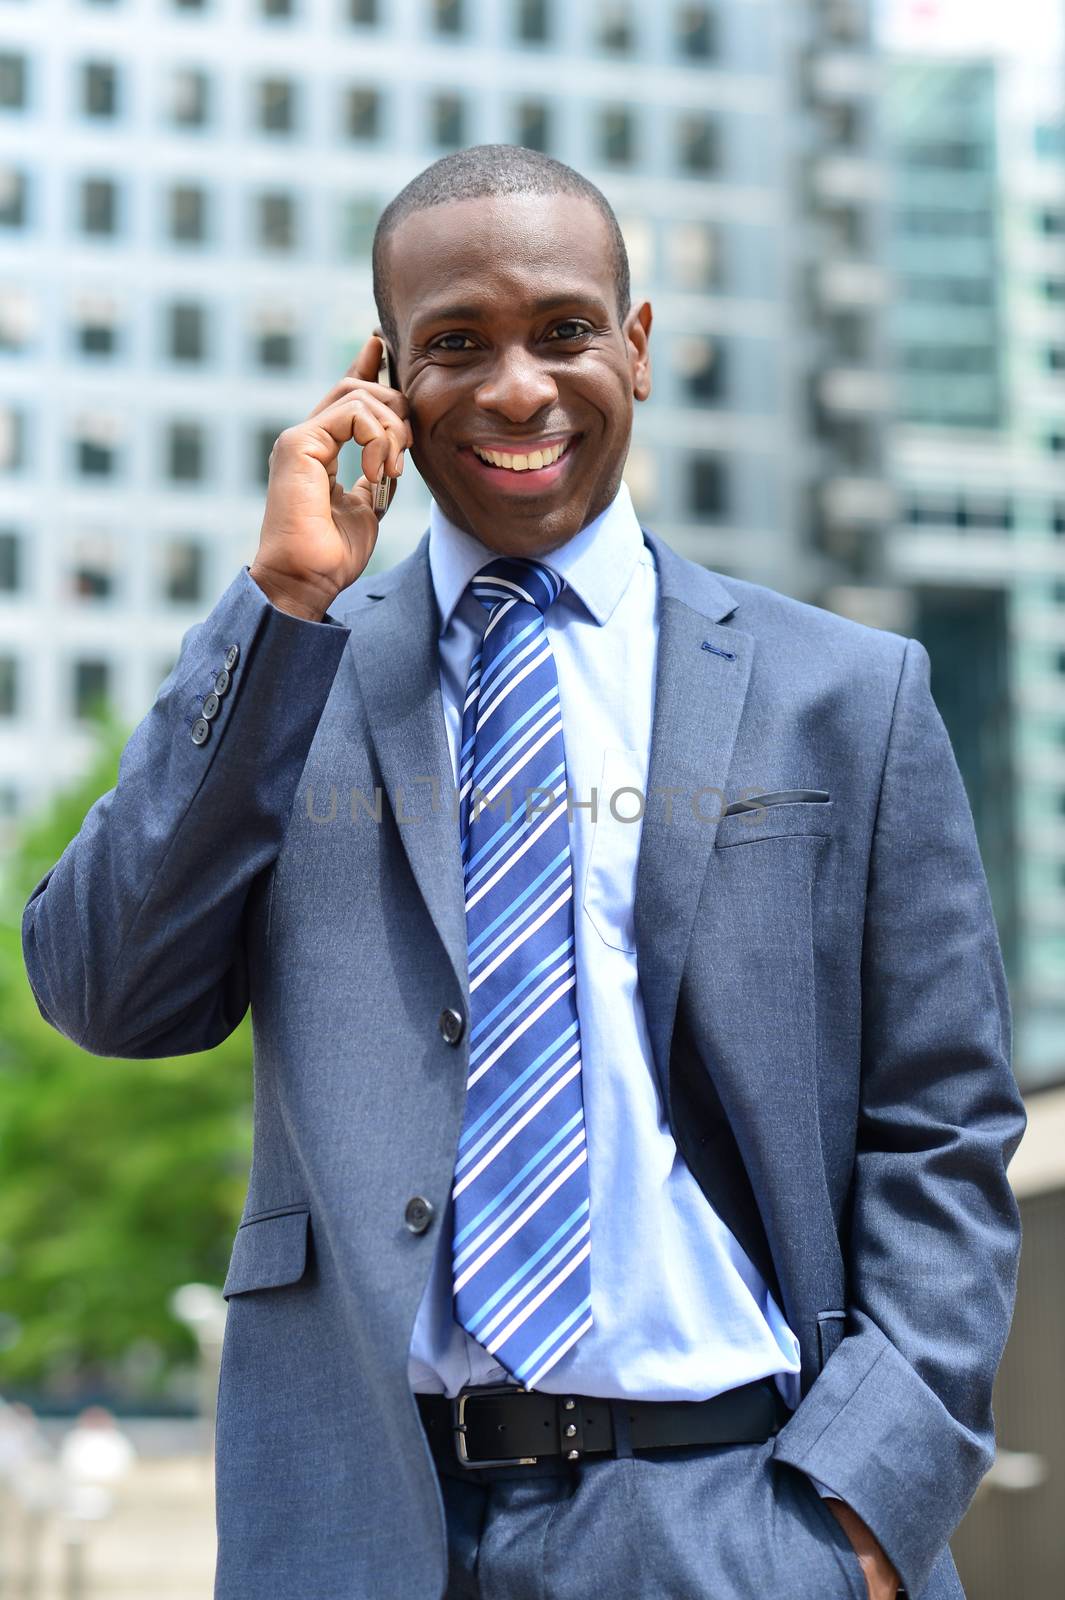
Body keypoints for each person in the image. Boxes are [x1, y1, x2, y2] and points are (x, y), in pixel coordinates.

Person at [22, 145, 1025, 1600]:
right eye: (453, 346)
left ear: (636, 346)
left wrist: (864, 1510)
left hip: (739, 1520)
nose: (511, 388)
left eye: (560, 330)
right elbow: (106, 992)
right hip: (364, 1530)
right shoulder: (292, 679)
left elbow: (937, 1124)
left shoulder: (844, 694)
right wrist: (285, 598)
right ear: (383, 378)